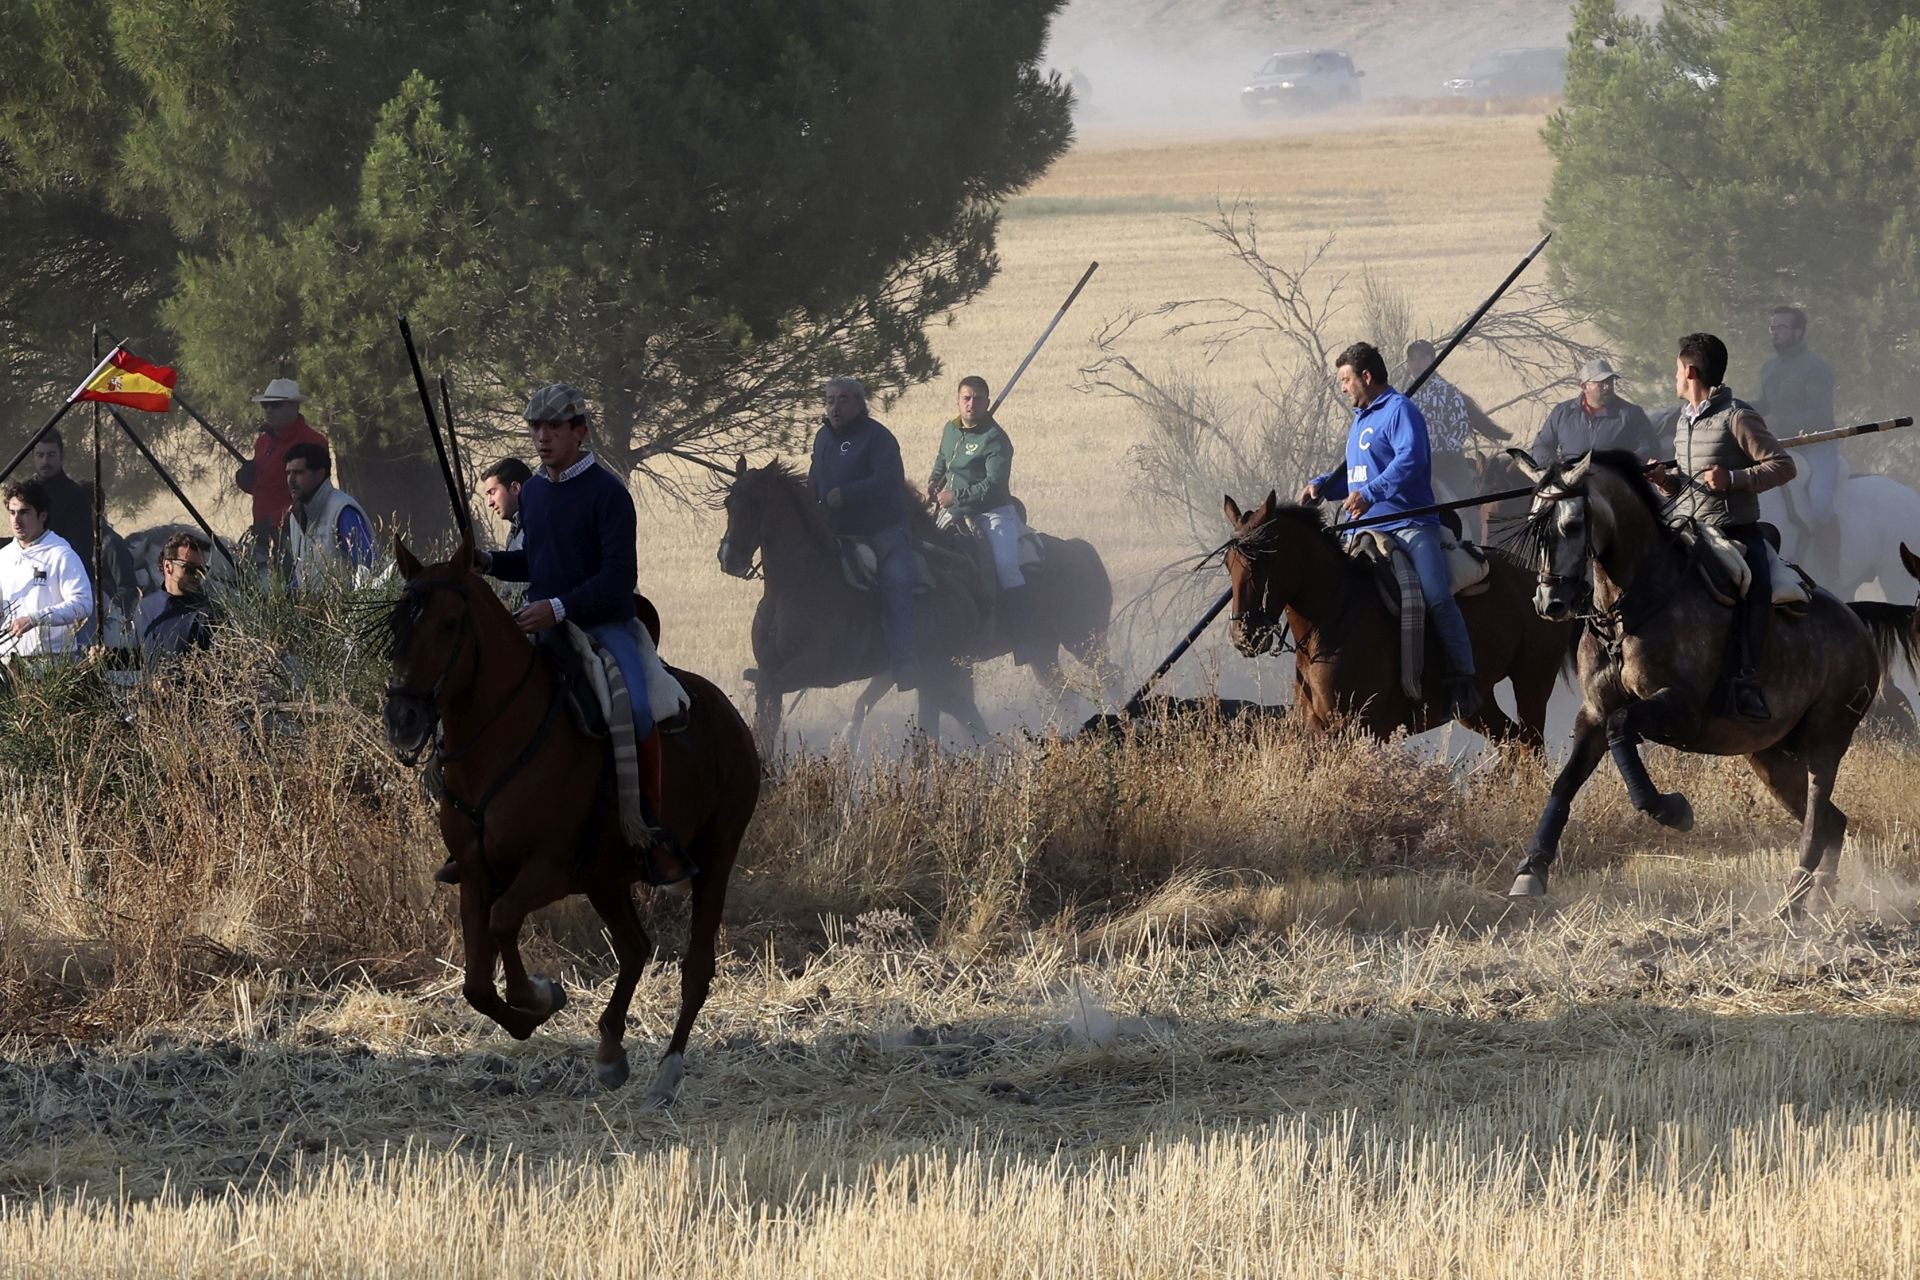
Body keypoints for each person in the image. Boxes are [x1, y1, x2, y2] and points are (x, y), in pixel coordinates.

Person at [478, 383, 680, 881]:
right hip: (542, 623)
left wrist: (560, 608)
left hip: (606, 628)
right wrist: (487, 562)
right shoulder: (537, 494)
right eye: (535, 428)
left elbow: (618, 579)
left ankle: (647, 833)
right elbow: (537, 561)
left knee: (635, 709)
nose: (542, 437)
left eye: (553, 427)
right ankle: (480, 832)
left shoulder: (608, 494)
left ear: (579, 432)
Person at [1299, 341, 1479, 719]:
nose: (1343, 387)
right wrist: (1321, 485)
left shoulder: (1400, 411)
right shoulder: (1361, 419)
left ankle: (1463, 679)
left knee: (1436, 595)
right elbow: (1356, 474)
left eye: (1346, 380)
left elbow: (1411, 461)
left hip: (1410, 524)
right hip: (1363, 529)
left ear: (1366, 376)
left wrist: (1371, 494)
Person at [1650, 332, 1796, 721]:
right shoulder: (1682, 420)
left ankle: (1748, 678)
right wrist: (1666, 480)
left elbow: (1783, 466)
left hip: (1733, 531)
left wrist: (1735, 479)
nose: (1674, 378)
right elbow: (1690, 478)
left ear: (1691, 371)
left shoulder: (1738, 416)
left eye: (1677, 370)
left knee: (1756, 591)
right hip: (1687, 529)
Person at [809, 375, 920, 691]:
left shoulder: (878, 438)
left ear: (859, 403)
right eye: (830, 400)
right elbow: (814, 478)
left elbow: (889, 480)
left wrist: (848, 494)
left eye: (843, 399)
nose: (835, 407)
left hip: (880, 530)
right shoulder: (823, 438)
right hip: (837, 531)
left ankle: (905, 661)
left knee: (897, 583)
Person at [927, 375, 1037, 647]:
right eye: (966, 398)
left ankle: (1020, 629)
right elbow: (943, 459)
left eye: (978, 398)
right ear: (958, 400)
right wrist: (933, 481)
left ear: (987, 402)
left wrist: (956, 495)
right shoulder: (950, 429)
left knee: (1006, 565)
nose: (971, 404)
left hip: (992, 512)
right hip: (953, 510)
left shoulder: (996, 438)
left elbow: (993, 483)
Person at [1755, 306, 1837, 546]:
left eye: (1782, 327)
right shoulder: (1769, 367)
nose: (1775, 332)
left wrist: (1779, 422)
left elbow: (1820, 414)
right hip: (1780, 445)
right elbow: (1764, 404)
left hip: (1816, 446)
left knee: (1821, 504)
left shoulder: (1816, 367)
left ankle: (1832, 570)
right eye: (1773, 327)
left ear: (1799, 332)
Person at [235, 378, 329, 576]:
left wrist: (275, 520)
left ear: (294, 406)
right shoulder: (262, 442)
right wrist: (246, 480)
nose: (269, 410)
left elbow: (313, 496)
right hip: (262, 535)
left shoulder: (312, 442)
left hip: (296, 536)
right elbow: (267, 486)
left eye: (275, 405)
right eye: (265, 405)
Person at [0, 479, 94, 660]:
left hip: (52, 662)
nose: (16, 520)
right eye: (12, 513)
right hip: (8, 663)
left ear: (42, 515)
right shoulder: (4, 556)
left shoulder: (60, 554)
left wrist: (35, 619)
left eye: (24, 512)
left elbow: (82, 604)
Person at [1530, 358, 1661, 462]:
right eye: (1601, 382)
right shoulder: (1563, 413)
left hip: (1616, 485)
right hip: (1571, 486)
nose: (1607, 386)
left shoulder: (1631, 414)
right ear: (1584, 387)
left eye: (1610, 381)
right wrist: (1557, 471)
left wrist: (1622, 464)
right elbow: (1542, 446)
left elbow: (1650, 447)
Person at [282, 442, 375, 588]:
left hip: (346, 609)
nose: (291, 480)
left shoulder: (342, 511)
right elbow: (307, 577)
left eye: (299, 472)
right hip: (314, 610)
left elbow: (369, 569)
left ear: (320, 474)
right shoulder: (296, 516)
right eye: (288, 473)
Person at [1403, 340, 1475, 504]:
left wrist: (1444, 451)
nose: (1417, 363)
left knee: (1468, 505)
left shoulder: (1447, 391)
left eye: (1422, 358)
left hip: (1447, 464)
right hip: (1414, 464)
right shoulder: (1404, 395)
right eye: (1412, 359)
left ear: (1432, 360)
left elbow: (1461, 426)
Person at [138, 531, 217, 661]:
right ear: (168, 567)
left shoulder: (205, 614)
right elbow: (137, 657)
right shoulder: (145, 607)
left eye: (202, 570)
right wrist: (106, 657)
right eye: (189, 569)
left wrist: (172, 681)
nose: (197, 576)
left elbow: (216, 670)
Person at [480, 457, 531, 553]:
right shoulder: (514, 531)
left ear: (515, 488)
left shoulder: (539, 525)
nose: (490, 503)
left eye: (492, 492)